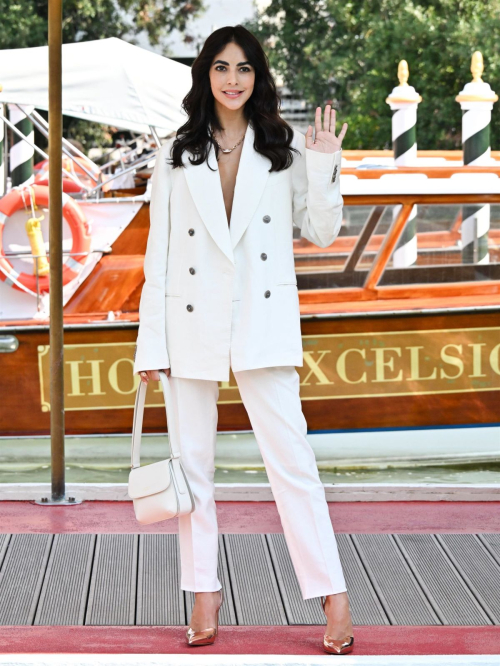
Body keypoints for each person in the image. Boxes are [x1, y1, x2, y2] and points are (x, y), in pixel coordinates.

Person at [133, 25, 354, 655]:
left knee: (295, 467)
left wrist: (324, 162)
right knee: (192, 469)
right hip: (190, 324)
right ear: (205, 74)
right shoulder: (175, 156)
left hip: (263, 324)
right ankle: (203, 592)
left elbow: (321, 232)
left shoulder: (282, 150)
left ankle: (332, 595)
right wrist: (152, 346)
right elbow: (161, 258)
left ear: (258, 79)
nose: (234, 79)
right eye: (223, 67)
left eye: (246, 69)